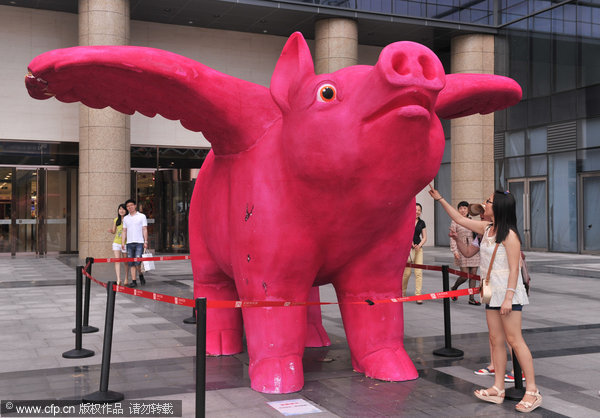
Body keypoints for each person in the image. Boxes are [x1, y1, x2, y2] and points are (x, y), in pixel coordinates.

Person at [429, 185, 541, 413]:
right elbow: (459, 220)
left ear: (498, 207)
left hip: (508, 292)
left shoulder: (510, 235)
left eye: (489, 201)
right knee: (494, 339)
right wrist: (440, 198)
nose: (484, 204)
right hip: (490, 290)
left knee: (514, 339)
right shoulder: (486, 228)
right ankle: (498, 387)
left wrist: (509, 298)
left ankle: (532, 391)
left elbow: (513, 269)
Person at [449, 201, 481, 305]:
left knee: (473, 274)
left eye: (465, 208)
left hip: (473, 249)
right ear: (458, 210)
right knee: (464, 276)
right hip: (461, 250)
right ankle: (454, 288)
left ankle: (471, 298)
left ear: (468, 210)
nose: (463, 210)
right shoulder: (455, 221)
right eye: (461, 208)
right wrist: (454, 251)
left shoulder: (471, 221)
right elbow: (453, 238)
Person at [402, 203, 427, 304]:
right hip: (408, 250)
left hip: (418, 250)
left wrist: (419, 245)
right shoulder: (407, 220)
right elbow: (404, 234)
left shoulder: (422, 223)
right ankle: (402, 292)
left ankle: (418, 295)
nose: (417, 212)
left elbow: (425, 237)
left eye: (419, 210)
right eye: (415, 209)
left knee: (418, 273)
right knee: (406, 273)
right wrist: (410, 243)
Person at [121, 199, 148, 288]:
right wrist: (122, 242)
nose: (130, 207)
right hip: (129, 243)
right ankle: (134, 281)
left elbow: (144, 229)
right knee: (131, 263)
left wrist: (145, 241)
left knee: (137, 263)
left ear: (135, 206)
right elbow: (124, 231)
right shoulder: (125, 218)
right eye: (128, 206)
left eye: (131, 205)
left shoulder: (142, 216)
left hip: (139, 242)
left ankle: (140, 274)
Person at [108, 204, 129, 286]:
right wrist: (111, 231)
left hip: (126, 243)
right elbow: (114, 231)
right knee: (117, 261)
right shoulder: (116, 220)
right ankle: (118, 279)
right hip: (116, 243)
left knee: (126, 262)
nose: (121, 210)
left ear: (126, 211)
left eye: (123, 209)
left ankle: (126, 278)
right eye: (120, 209)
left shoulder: (128, 219)